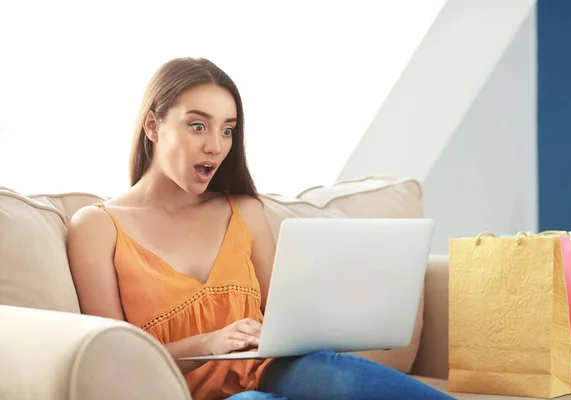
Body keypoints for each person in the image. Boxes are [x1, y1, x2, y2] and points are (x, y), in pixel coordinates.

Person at [66, 57, 454, 400]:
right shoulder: (98, 227)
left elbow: (289, 320)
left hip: (276, 372)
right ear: (153, 125)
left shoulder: (245, 211)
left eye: (227, 130)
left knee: (332, 374)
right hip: (185, 393)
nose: (216, 147)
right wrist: (209, 343)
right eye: (198, 126)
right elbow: (116, 361)